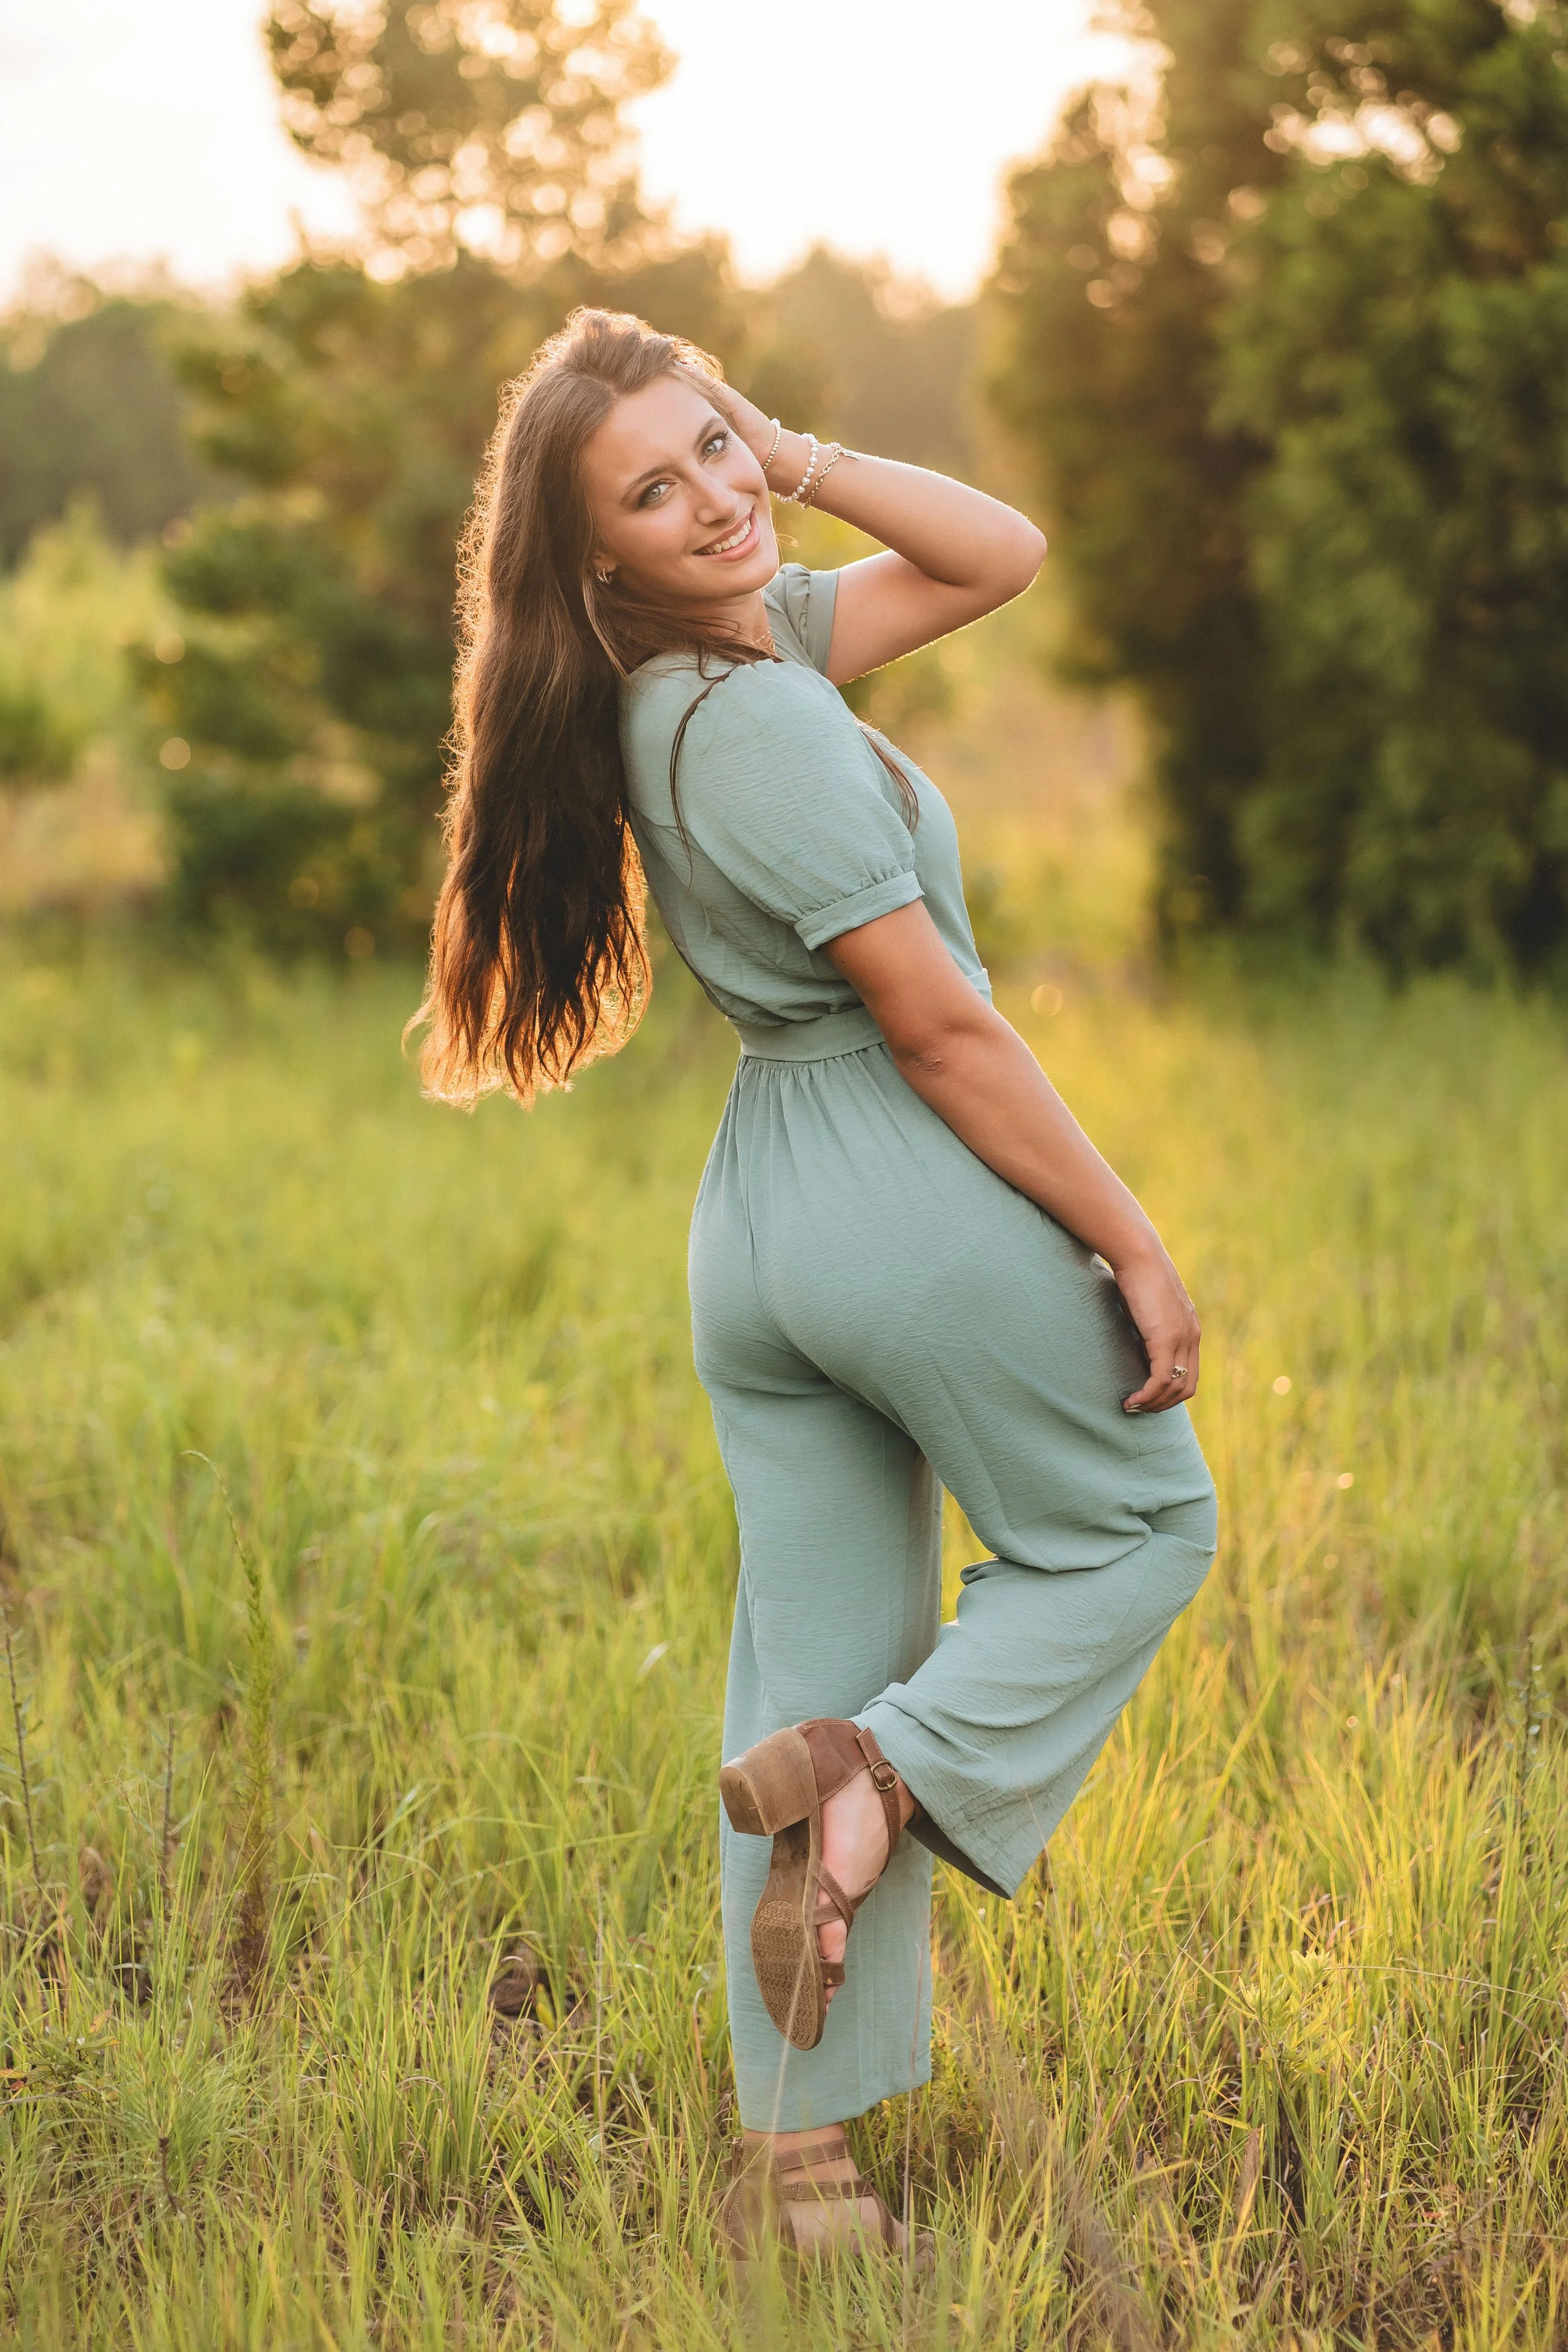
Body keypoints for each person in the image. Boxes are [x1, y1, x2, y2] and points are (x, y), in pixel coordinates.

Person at [411, 308, 1217, 2259]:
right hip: (889, 1181)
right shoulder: (755, 713)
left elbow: (991, 552)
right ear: (589, 550)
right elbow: (940, 1028)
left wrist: (786, 450)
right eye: (651, 489)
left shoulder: (701, 670)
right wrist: (1126, 1228)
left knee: (806, 1656)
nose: (705, 504)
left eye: (711, 452)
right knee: (1133, 1527)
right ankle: (881, 1784)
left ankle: (803, 2161)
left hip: (759, 1216)